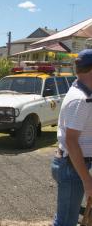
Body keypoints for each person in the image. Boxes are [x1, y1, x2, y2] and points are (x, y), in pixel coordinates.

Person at [51, 49, 92, 226]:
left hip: (74, 165)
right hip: (73, 167)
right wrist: (88, 182)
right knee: (66, 222)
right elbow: (71, 141)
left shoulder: (81, 89)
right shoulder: (81, 99)